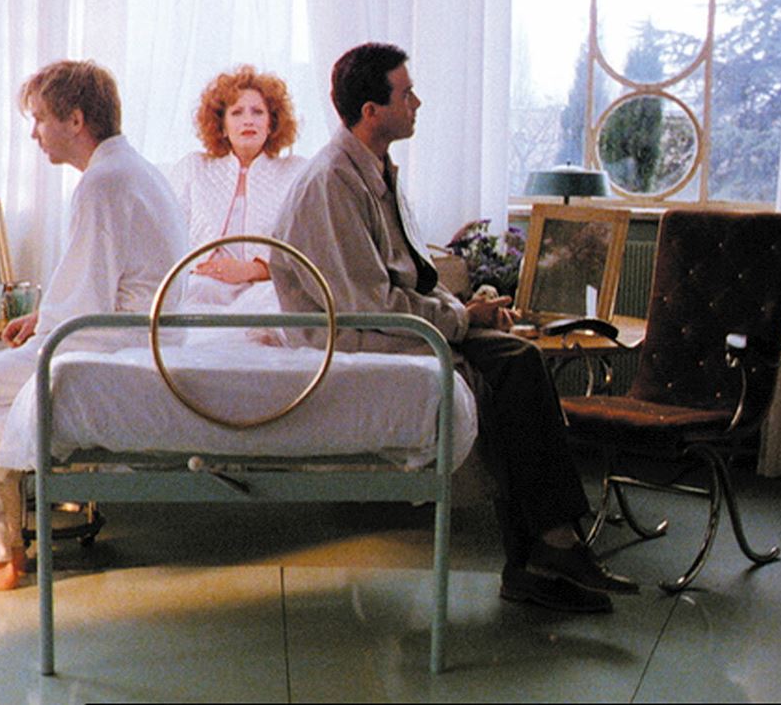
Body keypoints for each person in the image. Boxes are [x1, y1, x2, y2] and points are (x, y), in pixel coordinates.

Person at [270, 42, 638, 612]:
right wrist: (461, 318)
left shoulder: (375, 170)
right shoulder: (332, 183)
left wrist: (466, 307)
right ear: (371, 111)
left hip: (392, 322)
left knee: (515, 360)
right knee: (515, 366)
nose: (417, 102)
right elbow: (368, 305)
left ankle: (541, 555)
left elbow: (413, 273)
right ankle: (548, 549)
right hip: (356, 334)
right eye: (406, 93)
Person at [0, 59, 187, 593]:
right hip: (129, 336)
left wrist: (49, 325)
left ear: (76, 120)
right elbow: (114, 280)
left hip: (107, 345)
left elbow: (90, 297)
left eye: (40, 119)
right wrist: (45, 316)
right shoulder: (133, 171)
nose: (35, 133)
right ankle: (0, 551)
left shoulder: (103, 183)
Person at [170, 65, 307, 310]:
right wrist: (198, 268)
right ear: (222, 126)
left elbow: (308, 249)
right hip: (204, 286)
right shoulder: (194, 168)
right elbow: (167, 237)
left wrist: (253, 270)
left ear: (271, 123)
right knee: (187, 300)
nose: (248, 120)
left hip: (267, 290)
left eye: (258, 112)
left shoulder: (296, 172)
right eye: (237, 113)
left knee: (274, 308)